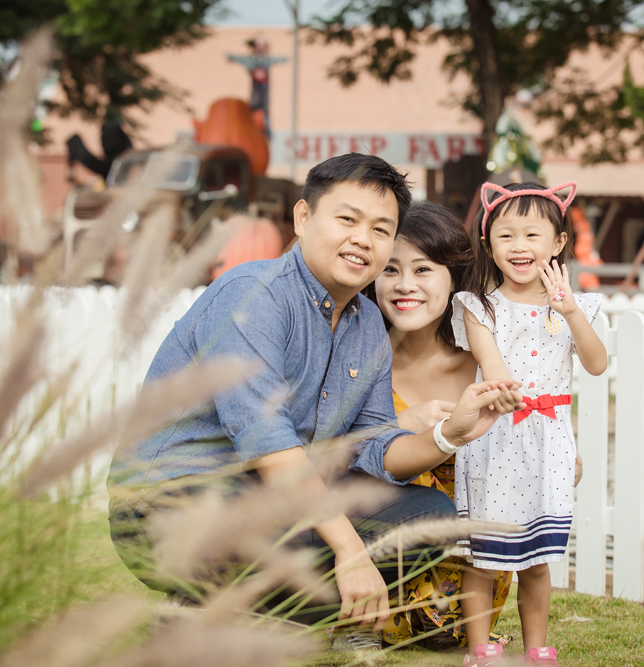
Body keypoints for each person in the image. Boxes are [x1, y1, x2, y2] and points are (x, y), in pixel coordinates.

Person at [106, 153, 523, 635]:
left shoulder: (367, 325)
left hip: (274, 505)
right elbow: (267, 442)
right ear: (303, 218)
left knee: (426, 516)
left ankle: (221, 613)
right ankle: (214, 606)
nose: (363, 239)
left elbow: (374, 449)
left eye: (381, 229)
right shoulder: (254, 293)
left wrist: (449, 435)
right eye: (347, 219)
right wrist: (349, 551)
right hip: (170, 503)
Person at [452, 181, 607, 667]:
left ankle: (536, 648)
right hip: (495, 440)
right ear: (487, 242)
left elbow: (597, 363)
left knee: (536, 559)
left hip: (547, 442)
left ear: (558, 243)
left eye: (533, 236)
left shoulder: (577, 308)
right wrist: (514, 398)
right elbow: (495, 372)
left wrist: (570, 310)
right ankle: (481, 649)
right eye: (507, 236)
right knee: (483, 557)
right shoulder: (479, 307)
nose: (520, 248)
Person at [370, 201, 513, 649]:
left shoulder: (484, 366)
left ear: (454, 276)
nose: (404, 285)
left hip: (468, 578)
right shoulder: (358, 363)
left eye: (423, 269)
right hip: (375, 566)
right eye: (389, 270)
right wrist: (397, 425)